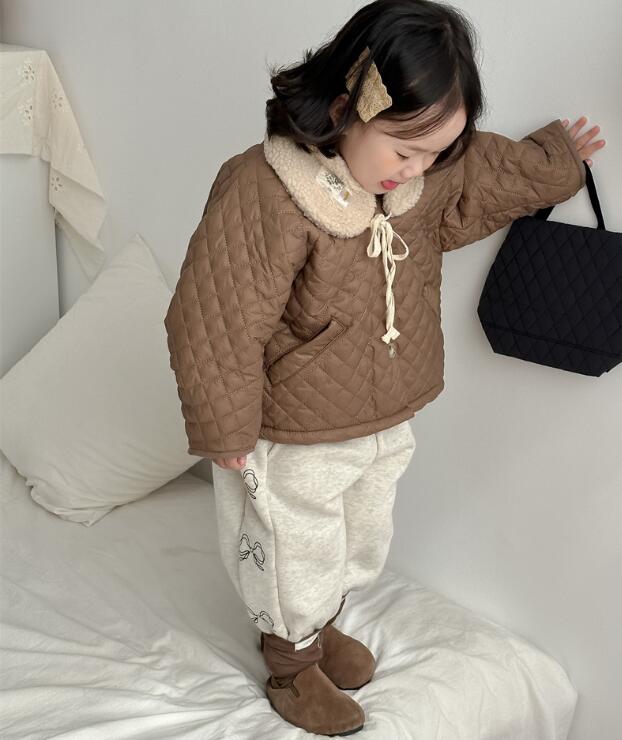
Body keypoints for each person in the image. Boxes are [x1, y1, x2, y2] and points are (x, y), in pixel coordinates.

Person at [164, 0, 604, 734]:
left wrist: (558, 159)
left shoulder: (418, 184)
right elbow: (216, 314)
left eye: (435, 152)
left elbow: (485, 175)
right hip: (292, 425)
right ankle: (290, 661)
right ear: (345, 109)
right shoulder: (266, 190)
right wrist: (227, 427)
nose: (419, 168)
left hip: (383, 412)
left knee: (359, 535)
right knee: (292, 545)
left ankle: (322, 624)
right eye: (406, 149)